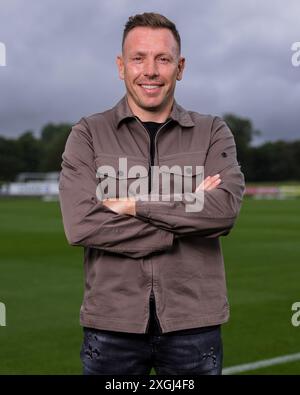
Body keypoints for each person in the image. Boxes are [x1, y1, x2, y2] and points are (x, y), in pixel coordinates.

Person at [58, 12, 245, 375]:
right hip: (111, 324)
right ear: (121, 66)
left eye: (163, 58)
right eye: (138, 58)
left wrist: (133, 205)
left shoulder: (212, 132)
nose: (151, 70)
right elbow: (81, 225)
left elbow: (222, 211)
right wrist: (182, 217)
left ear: (180, 66)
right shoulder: (88, 133)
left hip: (194, 323)